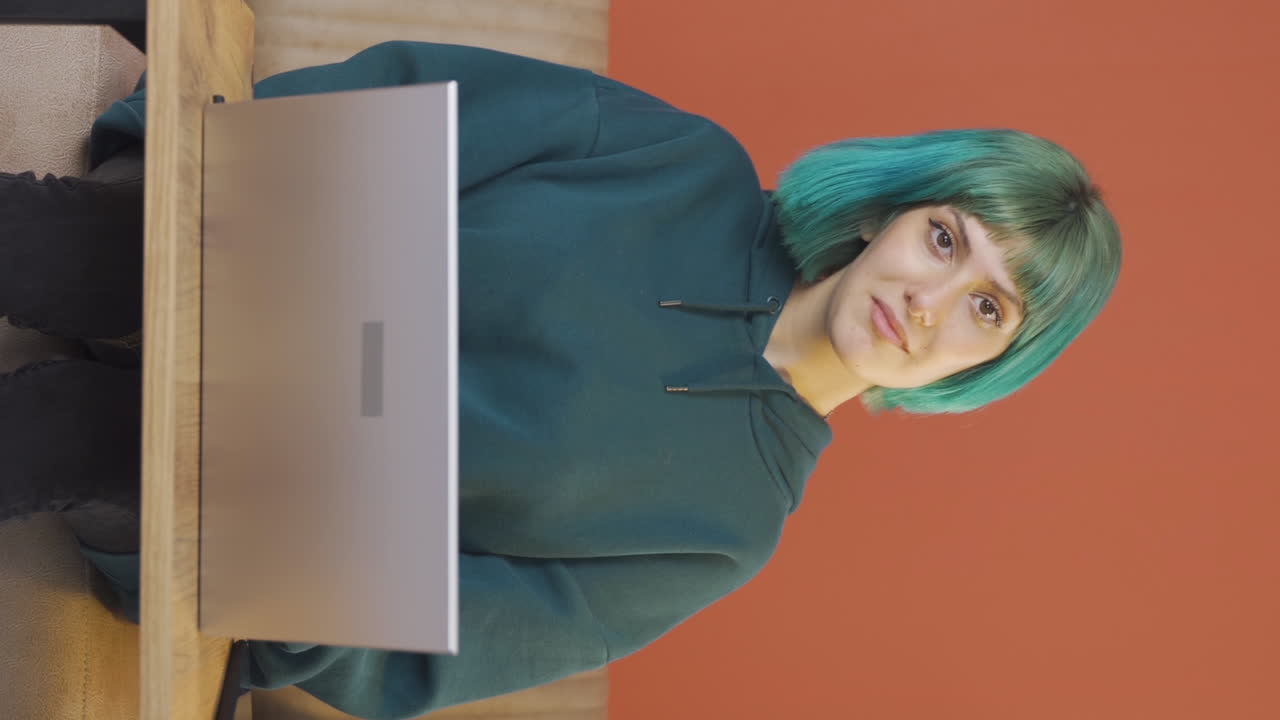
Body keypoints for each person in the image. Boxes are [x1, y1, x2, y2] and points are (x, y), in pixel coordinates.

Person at [0, 40, 1121, 720]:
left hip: (230, 500)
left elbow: (441, 644)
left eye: (985, 307)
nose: (929, 302)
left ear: (991, 362)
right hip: (221, 248)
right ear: (888, 212)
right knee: (74, 252)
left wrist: (292, 593)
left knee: (67, 429)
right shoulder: (685, 164)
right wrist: (222, 160)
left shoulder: (724, 530)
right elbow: (422, 100)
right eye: (944, 238)